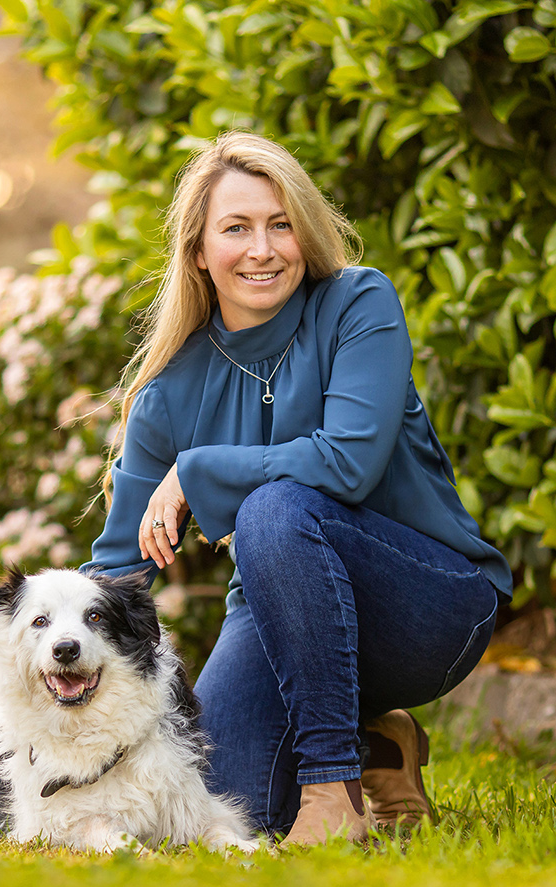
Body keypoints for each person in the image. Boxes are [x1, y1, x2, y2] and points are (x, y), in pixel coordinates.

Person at [79, 131, 511, 845]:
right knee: (228, 805)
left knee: (274, 510)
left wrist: (198, 471)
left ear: (305, 235)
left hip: (430, 603)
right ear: (197, 252)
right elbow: (116, 578)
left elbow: (348, 466)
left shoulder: (357, 304)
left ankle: (330, 792)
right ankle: (378, 744)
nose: (263, 248)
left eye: (282, 225)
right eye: (237, 228)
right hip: (280, 618)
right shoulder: (167, 395)